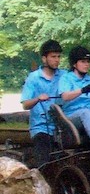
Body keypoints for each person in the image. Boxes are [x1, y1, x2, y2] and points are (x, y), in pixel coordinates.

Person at [21, 39, 66, 167]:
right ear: (44, 59)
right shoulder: (33, 78)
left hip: (61, 126)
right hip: (41, 127)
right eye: (53, 57)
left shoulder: (64, 76)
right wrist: (37, 98)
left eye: (58, 57)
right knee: (45, 162)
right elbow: (25, 105)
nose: (57, 60)